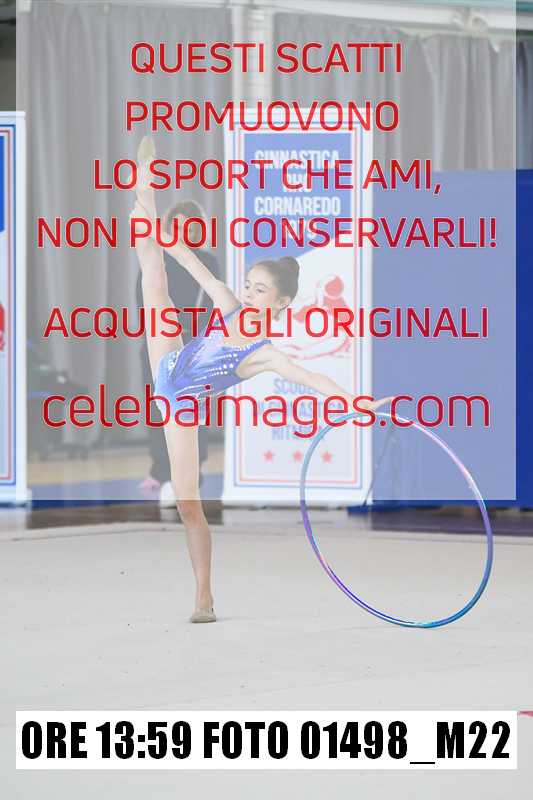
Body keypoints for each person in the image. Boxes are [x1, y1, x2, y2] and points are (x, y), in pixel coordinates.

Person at [132, 155, 392, 624]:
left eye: (259, 291)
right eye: (249, 286)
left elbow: (310, 377)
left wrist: (356, 402)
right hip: (168, 358)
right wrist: (158, 225)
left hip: (180, 404)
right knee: (154, 273)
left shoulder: (264, 353)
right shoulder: (228, 303)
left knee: (189, 505)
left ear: (281, 303)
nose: (248, 295)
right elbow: (189, 261)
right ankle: (144, 188)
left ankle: (204, 596)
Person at [135, 200, 221, 505]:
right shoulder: (157, 258)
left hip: (195, 347)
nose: (185, 232)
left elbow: (212, 302)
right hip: (159, 345)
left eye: (191, 227)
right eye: (179, 226)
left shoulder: (206, 262)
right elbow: (143, 299)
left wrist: (198, 340)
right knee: (159, 409)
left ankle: (193, 471)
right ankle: (160, 470)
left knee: (191, 412)